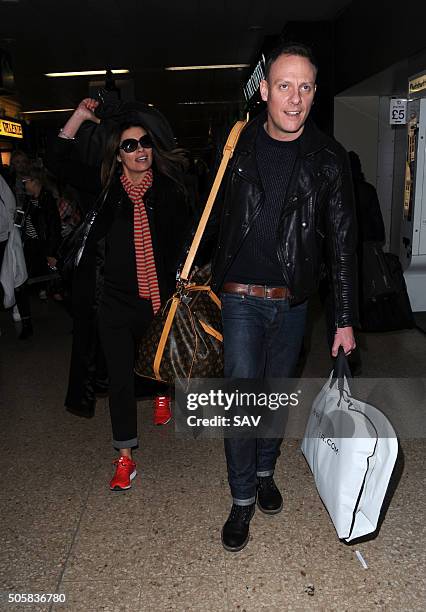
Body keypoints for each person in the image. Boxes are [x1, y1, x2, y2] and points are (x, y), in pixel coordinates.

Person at [209, 42, 358, 552]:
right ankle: (242, 498)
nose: (294, 98)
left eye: (306, 87)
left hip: (294, 301)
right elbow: (210, 219)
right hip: (240, 299)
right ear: (265, 90)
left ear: (315, 93)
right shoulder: (236, 146)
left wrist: (342, 318)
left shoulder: (329, 158)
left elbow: (342, 245)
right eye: (284, 85)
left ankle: (267, 470)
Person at [49, 99, 194, 490]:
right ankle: (125, 457)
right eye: (129, 146)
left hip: (158, 299)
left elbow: (188, 239)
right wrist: (79, 117)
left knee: (160, 360)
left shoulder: (168, 190)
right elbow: (57, 160)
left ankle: (162, 391)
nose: (139, 150)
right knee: (119, 379)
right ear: (117, 156)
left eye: (144, 143)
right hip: (112, 301)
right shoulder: (104, 190)